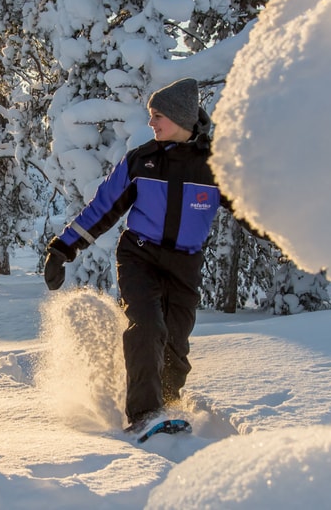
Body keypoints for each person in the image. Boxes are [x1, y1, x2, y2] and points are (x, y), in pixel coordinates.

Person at [42, 78, 262, 432]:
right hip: (139, 257)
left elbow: (253, 212)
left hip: (184, 265)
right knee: (146, 327)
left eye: (158, 115)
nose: (151, 122)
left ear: (180, 118)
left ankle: (168, 410)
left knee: (175, 343)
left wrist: (289, 240)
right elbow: (102, 208)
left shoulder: (215, 167)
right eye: (150, 115)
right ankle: (145, 416)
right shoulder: (141, 161)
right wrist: (62, 248)